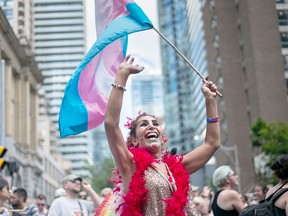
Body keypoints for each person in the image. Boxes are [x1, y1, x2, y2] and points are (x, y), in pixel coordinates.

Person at [104, 55, 220, 215]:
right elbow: (110, 124)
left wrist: (210, 100)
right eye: (144, 124)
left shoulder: (177, 167)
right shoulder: (130, 165)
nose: (151, 126)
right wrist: (122, 75)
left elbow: (212, 143)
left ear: (161, 135)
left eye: (155, 123)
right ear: (134, 140)